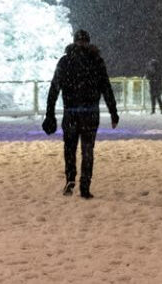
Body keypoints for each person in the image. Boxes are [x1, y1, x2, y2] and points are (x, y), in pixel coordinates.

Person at [43, 29, 119, 199]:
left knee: (69, 148)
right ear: (88, 42)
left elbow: (54, 88)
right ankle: (85, 185)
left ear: (74, 41)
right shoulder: (96, 61)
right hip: (90, 113)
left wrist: (50, 113)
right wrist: (113, 112)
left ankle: (70, 178)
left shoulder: (65, 61)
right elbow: (106, 88)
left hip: (71, 113)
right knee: (87, 150)